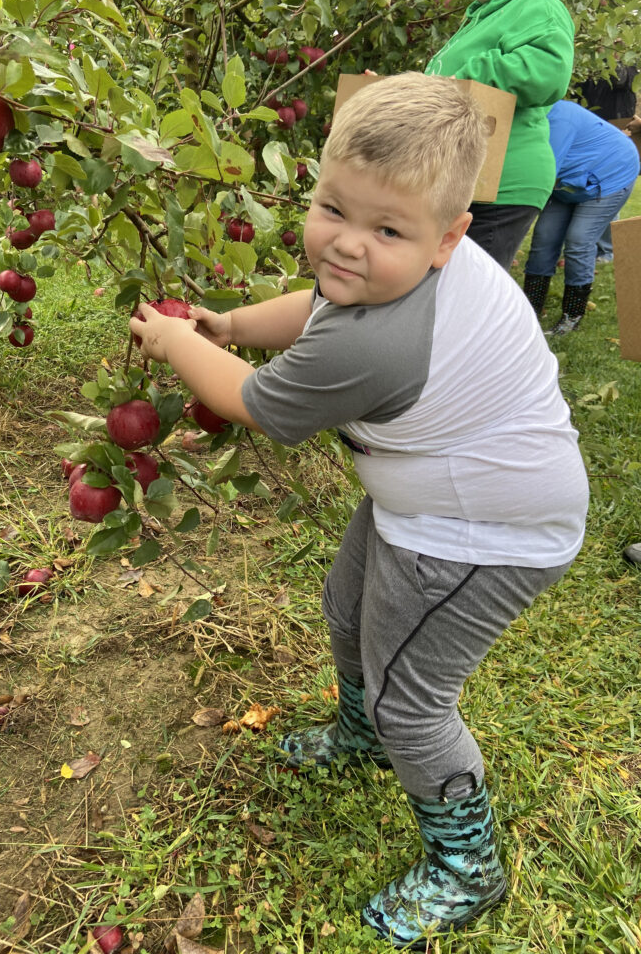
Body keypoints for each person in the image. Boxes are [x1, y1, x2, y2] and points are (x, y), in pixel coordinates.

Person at [131, 73, 589, 948]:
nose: (346, 245)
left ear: (450, 237)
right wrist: (227, 322)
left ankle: (468, 865)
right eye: (333, 209)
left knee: (413, 699)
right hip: (428, 496)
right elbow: (314, 307)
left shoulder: (380, 337)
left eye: (385, 229)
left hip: (483, 534)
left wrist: (180, 341)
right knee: (347, 609)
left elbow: (257, 406)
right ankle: (362, 733)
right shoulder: (390, 283)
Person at [423, 0, 574, 271]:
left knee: (462, 302)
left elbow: (548, 71)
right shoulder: (489, 10)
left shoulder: (537, 3)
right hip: (469, 178)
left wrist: (463, 77)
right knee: (440, 295)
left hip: (502, 184)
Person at [522, 100, 639, 334]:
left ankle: (572, 315)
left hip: (611, 175)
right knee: (544, 237)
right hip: (570, 181)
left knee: (578, 240)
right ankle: (528, 310)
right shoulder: (525, 119)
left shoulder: (558, 119)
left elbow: (541, 173)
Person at [574, 60, 639, 261]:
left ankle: (606, 251)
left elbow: (619, 79)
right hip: (590, 128)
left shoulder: (626, 61)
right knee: (588, 186)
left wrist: (608, 53)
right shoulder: (586, 59)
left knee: (610, 186)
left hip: (618, 129)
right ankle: (588, 248)